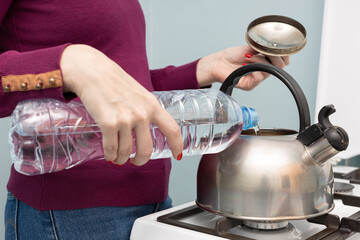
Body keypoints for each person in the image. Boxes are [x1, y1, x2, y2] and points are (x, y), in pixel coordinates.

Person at [1, 1, 289, 239]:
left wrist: (205, 69)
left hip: (153, 205)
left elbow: (128, 88)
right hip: (71, 215)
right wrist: (67, 64)